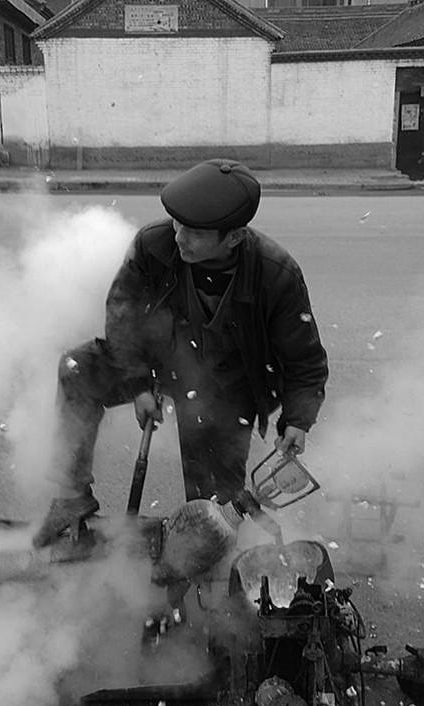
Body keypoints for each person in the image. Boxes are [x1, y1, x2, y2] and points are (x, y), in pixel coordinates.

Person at [33, 159, 328, 548]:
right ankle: (72, 498)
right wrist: (139, 384)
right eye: (177, 224)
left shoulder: (276, 274)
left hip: (226, 384)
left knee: (213, 513)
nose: (179, 238)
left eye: (194, 232)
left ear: (234, 237)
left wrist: (298, 420)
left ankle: (206, 557)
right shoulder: (153, 246)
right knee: (79, 368)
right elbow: (123, 318)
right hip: (156, 361)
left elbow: (304, 360)